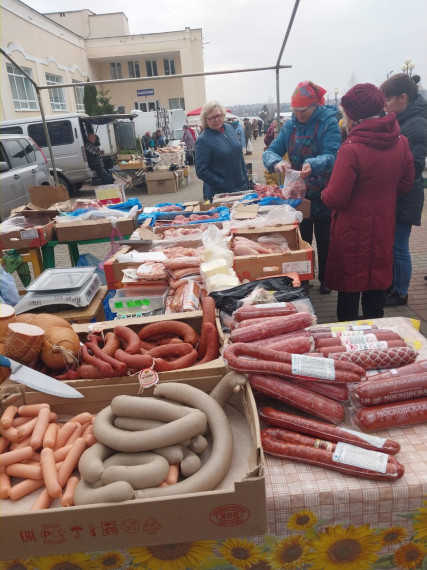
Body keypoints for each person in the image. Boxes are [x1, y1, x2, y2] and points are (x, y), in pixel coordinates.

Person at [321, 83, 414, 322]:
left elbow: (337, 197)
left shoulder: (351, 149)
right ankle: (376, 346)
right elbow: (405, 185)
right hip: (383, 225)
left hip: (352, 231)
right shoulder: (401, 142)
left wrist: (324, 192)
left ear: (353, 115)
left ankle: (348, 346)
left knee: (349, 294)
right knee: (376, 291)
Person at [263, 81, 341, 293]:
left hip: (325, 192)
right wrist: (276, 163)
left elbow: (333, 154)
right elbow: (270, 151)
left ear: (315, 105)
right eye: (295, 111)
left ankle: (326, 280)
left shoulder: (329, 122)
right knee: (300, 241)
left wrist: (313, 164)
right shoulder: (290, 125)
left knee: (326, 241)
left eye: (302, 110)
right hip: (298, 194)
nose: (298, 115)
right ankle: (303, 279)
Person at [380, 74, 427, 307]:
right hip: (396, 194)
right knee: (392, 244)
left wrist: (388, 174)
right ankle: (392, 285)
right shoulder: (403, 119)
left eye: (388, 99)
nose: (385, 104)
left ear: (403, 97)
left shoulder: (415, 123)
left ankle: (400, 292)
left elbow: (415, 165)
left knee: (399, 246)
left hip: (406, 195)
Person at [195, 101, 250, 202]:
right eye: (212, 118)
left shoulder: (229, 128)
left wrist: (247, 181)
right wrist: (223, 184)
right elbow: (201, 171)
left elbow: (240, 157)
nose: (216, 120)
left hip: (240, 188)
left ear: (223, 115)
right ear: (205, 120)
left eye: (218, 116)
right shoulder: (203, 140)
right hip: (220, 194)